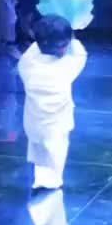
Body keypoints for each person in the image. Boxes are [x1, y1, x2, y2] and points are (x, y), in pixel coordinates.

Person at [18, 15, 87, 192]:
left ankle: (42, 180)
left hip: (33, 124)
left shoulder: (27, 64)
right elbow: (80, 53)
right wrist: (73, 34)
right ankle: (51, 181)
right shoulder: (66, 67)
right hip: (57, 125)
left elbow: (34, 49)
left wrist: (47, 34)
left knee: (40, 151)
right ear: (65, 45)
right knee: (56, 151)